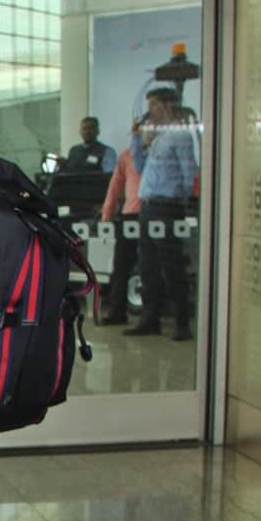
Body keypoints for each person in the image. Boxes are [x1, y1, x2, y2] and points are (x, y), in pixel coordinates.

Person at [124, 87, 199, 341]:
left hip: (167, 207)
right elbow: (139, 166)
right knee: (148, 266)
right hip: (148, 206)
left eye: (154, 105)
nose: (150, 111)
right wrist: (137, 139)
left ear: (168, 105)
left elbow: (189, 172)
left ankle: (181, 323)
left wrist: (181, 201)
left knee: (171, 265)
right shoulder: (157, 138)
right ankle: (150, 319)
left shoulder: (179, 136)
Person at [99, 133, 143, 325]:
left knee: (150, 267)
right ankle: (117, 311)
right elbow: (114, 187)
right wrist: (106, 214)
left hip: (152, 213)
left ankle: (150, 316)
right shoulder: (126, 156)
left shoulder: (157, 156)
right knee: (121, 265)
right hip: (131, 214)